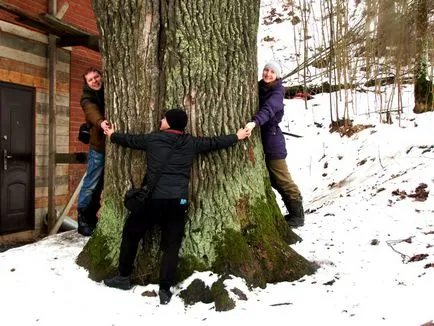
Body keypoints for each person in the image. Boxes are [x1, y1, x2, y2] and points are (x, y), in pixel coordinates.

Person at [102, 108, 251, 304]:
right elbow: (214, 143)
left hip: (152, 201)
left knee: (131, 234)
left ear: (170, 123)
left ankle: (123, 277)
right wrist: (237, 136)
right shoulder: (191, 143)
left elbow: (130, 140)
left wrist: (112, 135)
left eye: (164, 118)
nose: (161, 120)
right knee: (171, 246)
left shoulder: (153, 139)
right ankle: (165, 288)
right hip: (177, 202)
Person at [245, 61, 305, 228]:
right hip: (262, 140)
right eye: (266, 70)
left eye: (272, 72)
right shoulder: (259, 86)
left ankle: (297, 216)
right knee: (271, 179)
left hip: (273, 142)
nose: (268, 74)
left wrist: (254, 122)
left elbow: (269, 109)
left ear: (277, 76)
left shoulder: (277, 92)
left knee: (282, 179)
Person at [77, 67, 109, 236]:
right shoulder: (86, 97)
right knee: (91, 184)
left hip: (112, 144)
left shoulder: (109, 89)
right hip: (98, 147)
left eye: (96, 77)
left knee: (101, 185)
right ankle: (82, 220)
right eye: (90, 80)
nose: (95, 81)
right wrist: (101, 122)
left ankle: (92, 217)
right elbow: (91, 110)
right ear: (87, 83)